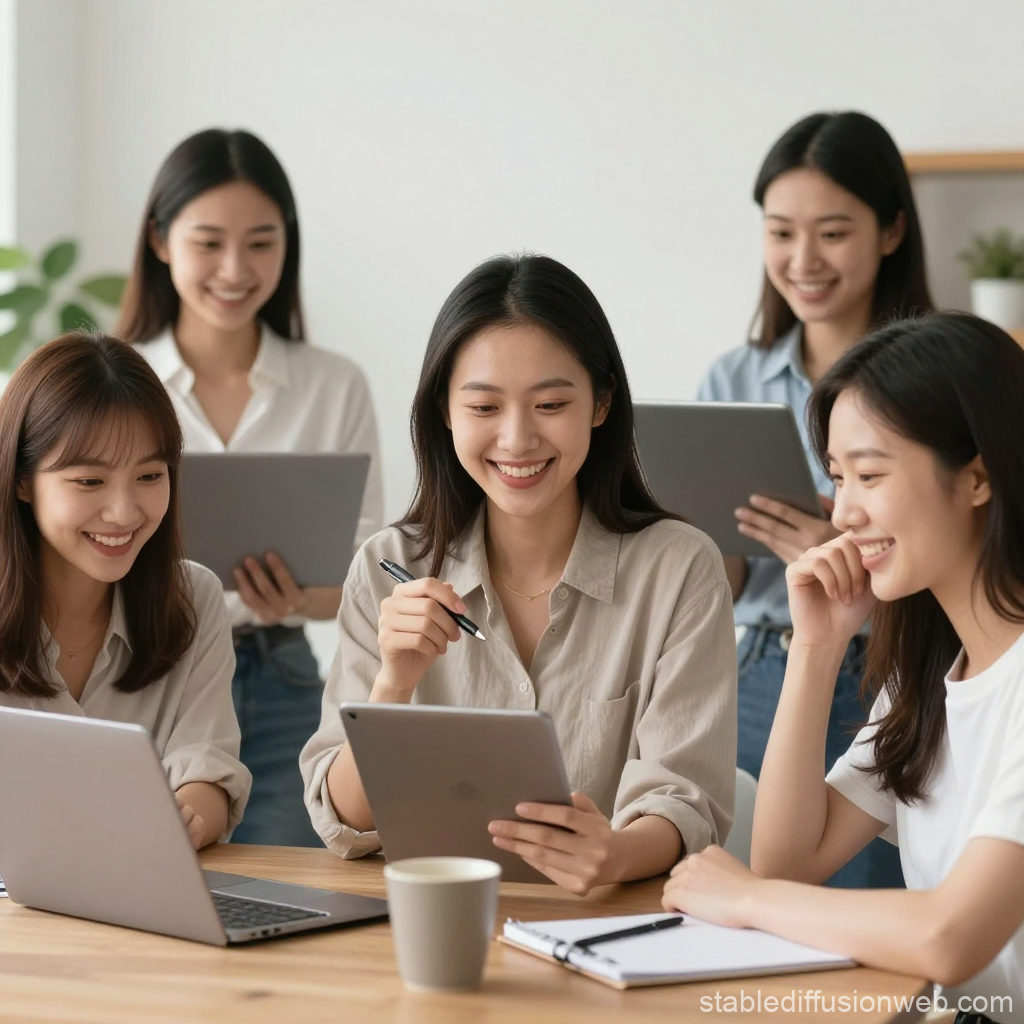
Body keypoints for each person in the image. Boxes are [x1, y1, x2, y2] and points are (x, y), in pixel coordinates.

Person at [300, 253, 737, 895]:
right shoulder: (388, 565)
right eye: (483, 407)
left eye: (551, 403)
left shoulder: (679, 568)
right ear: (444, 412)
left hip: (610, 927)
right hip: (431, 920)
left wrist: (615, 853)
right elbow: (341, 822)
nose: (517, 438)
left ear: (601, 403)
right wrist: (393, 684)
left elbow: (685, 798)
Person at [664, 313, 1024, 1024]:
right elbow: (787, 862)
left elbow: (949, 939)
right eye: (836, 476)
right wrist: (817, 646)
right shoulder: (929, 672)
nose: (845, 512)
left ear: (978, 477)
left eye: (868, 474)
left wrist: (743, 899)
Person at [120, 128, 383, 847]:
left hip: (282, 680)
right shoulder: (116, 383)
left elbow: (370, 574)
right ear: (161, 240)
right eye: (208, 242)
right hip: (144, 672)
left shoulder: (334, 384)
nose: (235, 268)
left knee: (289, 895)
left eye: (261, 243)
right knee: (144, 887)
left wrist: (296, 597)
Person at [697, 111, 934, 888]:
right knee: (758, 891)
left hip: (903, 662)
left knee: (868, 914)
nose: (803, 260)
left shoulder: (946, 377)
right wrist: (731, 549)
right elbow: (714, 585)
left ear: (892, 230)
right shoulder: (730, 382)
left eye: (832, 232)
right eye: (780, 232)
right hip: (770, 665)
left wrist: (850, 553)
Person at [0, 333, 250, 849]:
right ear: (22, 482)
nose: (124, 512)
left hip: (140, 897)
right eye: (89, 481)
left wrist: (176, 823)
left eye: (149, 475)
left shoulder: (192, 599)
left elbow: (206, 768)